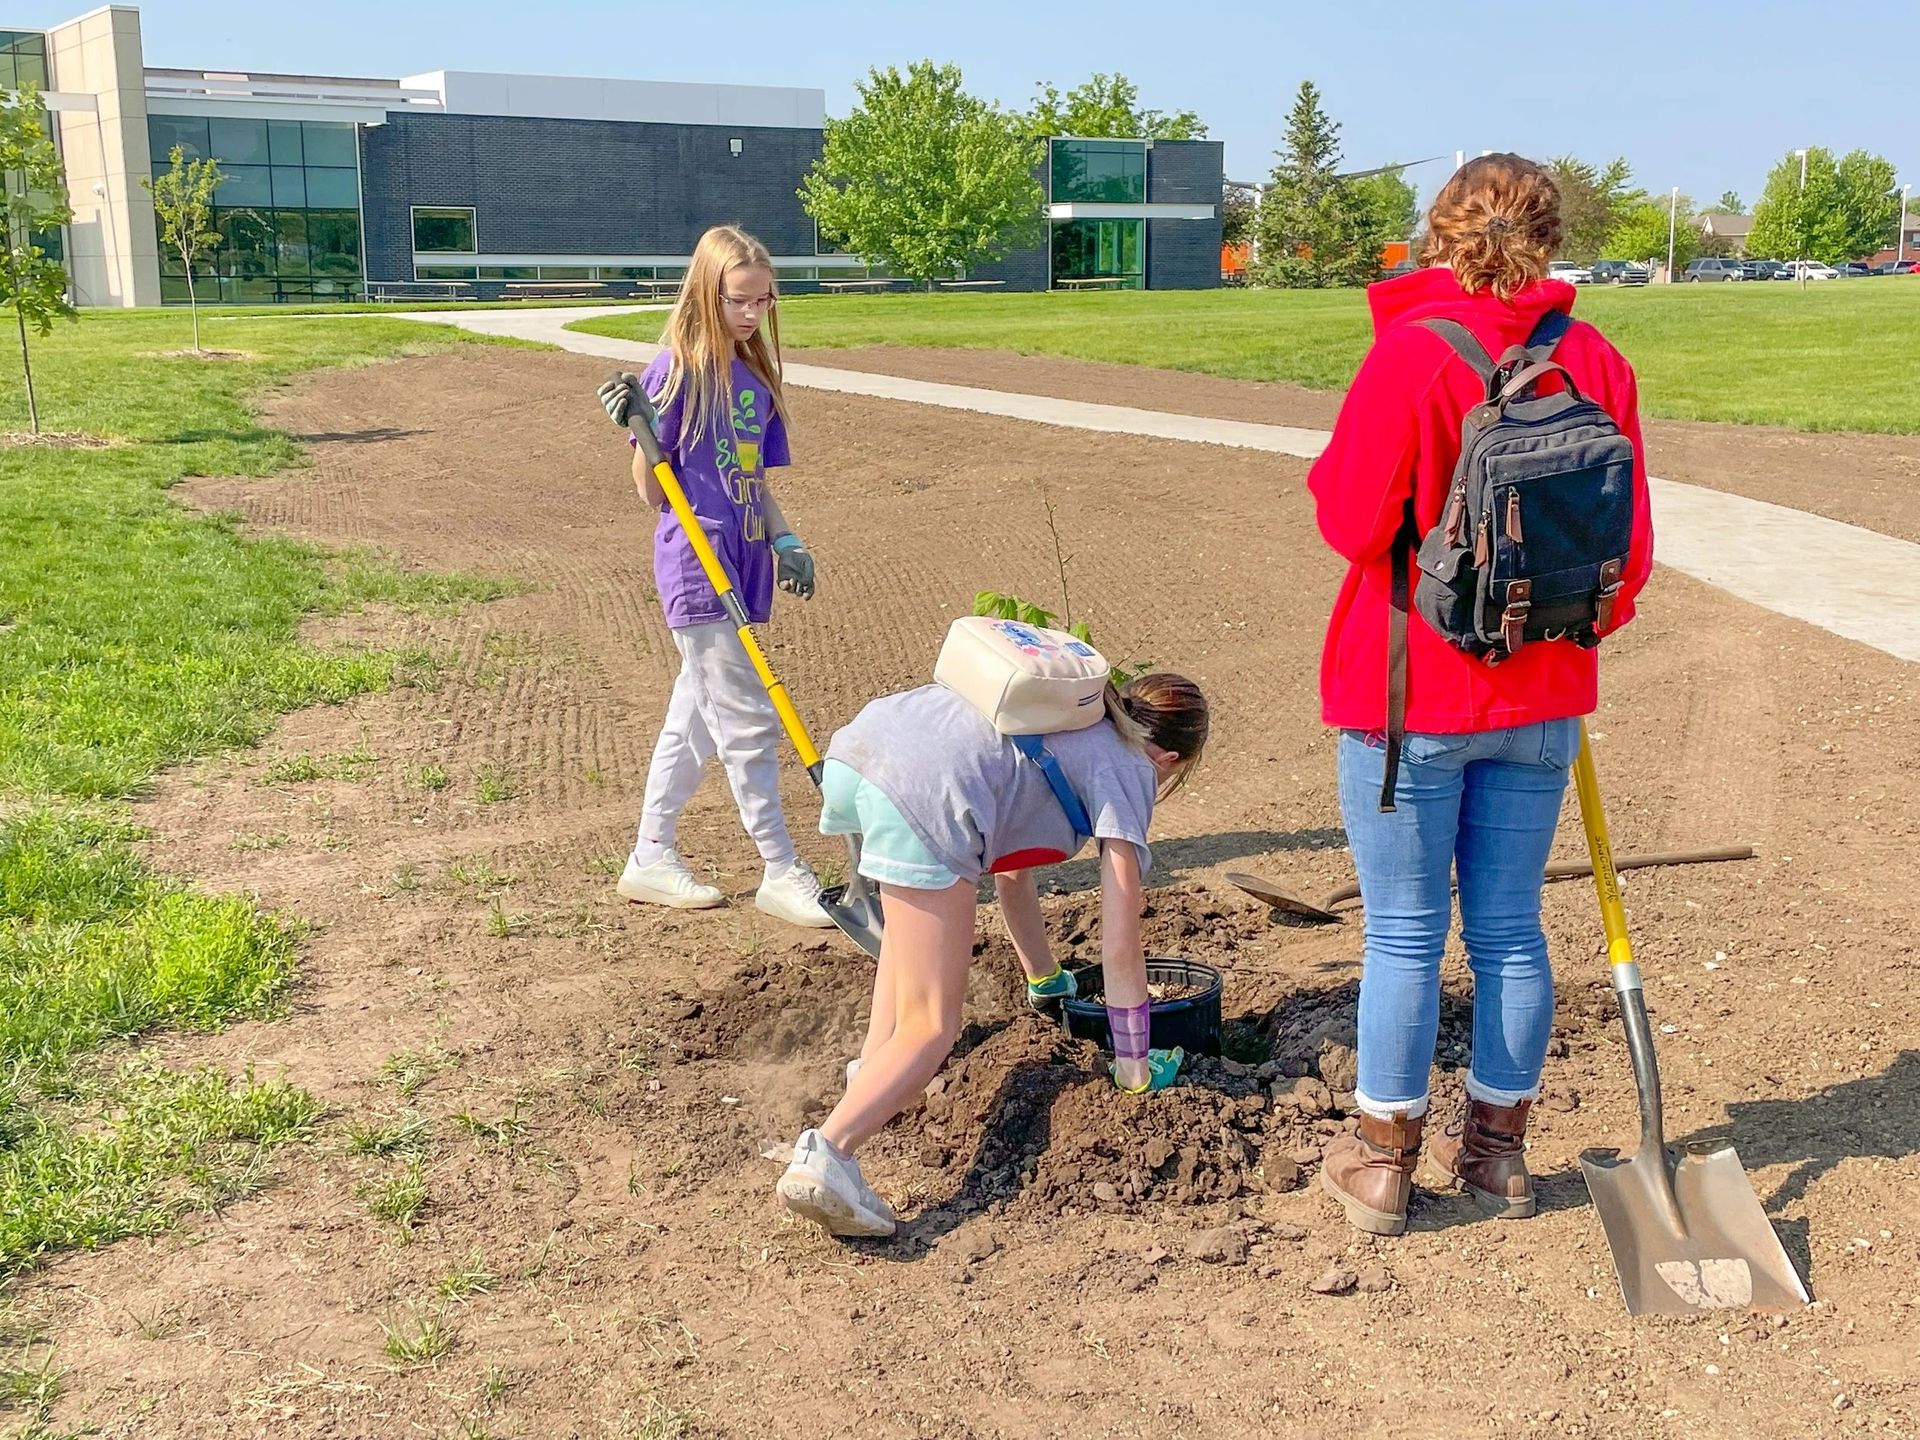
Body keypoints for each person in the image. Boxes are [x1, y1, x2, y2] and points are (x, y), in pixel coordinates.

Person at [1307, 155, 1654, 1235]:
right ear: (1549, 235)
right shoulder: (1598, 357)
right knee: (1510, 928)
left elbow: (1353, 525)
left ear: (1438, 232)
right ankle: (1498, 1154)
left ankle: (1380, 1164)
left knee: (1406, 934)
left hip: (1411, 691)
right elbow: (1627, 557)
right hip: (1544, 692)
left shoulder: (1410, 354)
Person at [774, 673, 1211, 1237]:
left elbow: (1011, 873)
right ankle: (826, 1154)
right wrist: (1133, 1066)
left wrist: (1045, 976)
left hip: (868, 750)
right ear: (1171, 757)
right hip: (929, 792)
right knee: (933, 1023)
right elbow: (1121, 944)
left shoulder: (1068, 721)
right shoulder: (1130, 767)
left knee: (907, 955)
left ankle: (872, 1081)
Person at [597, 225, 831, 929]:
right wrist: (642, 432)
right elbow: (653, 493)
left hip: (747, 560)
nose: (753, 314)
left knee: (693, 723)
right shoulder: (673, 371)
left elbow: (751, 479)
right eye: (739, 301)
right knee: (749, 721)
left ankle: (650, 857)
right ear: (706, 293)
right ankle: (781, 869)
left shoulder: (752, 380)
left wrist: (785, 537)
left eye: (764, 301)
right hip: (697, 569)